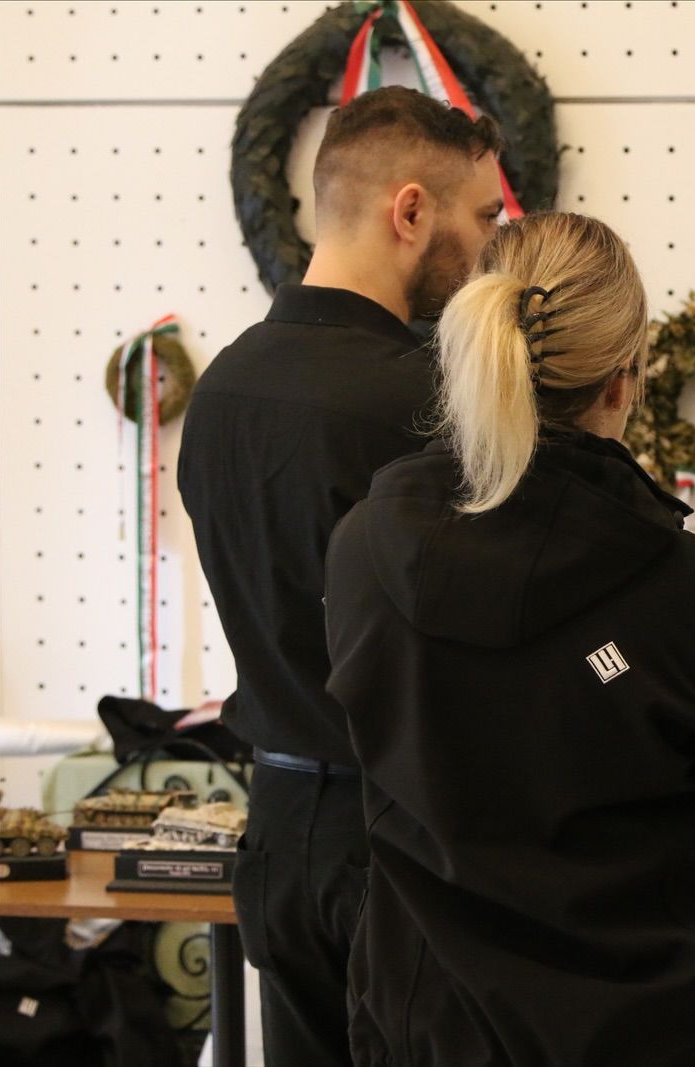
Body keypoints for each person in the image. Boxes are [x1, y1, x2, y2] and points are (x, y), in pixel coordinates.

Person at [322, 211, 695, 1067]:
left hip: (432, 1020)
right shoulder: (686, 584)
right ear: (623, 380)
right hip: (652, 1021)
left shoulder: (364, 545)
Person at [177, 86, 507, 1065]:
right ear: (411, 211)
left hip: (279, 837)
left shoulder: (222, 388)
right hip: (406, 841)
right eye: (484, 216)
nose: (491, 245)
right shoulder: (430, 399)